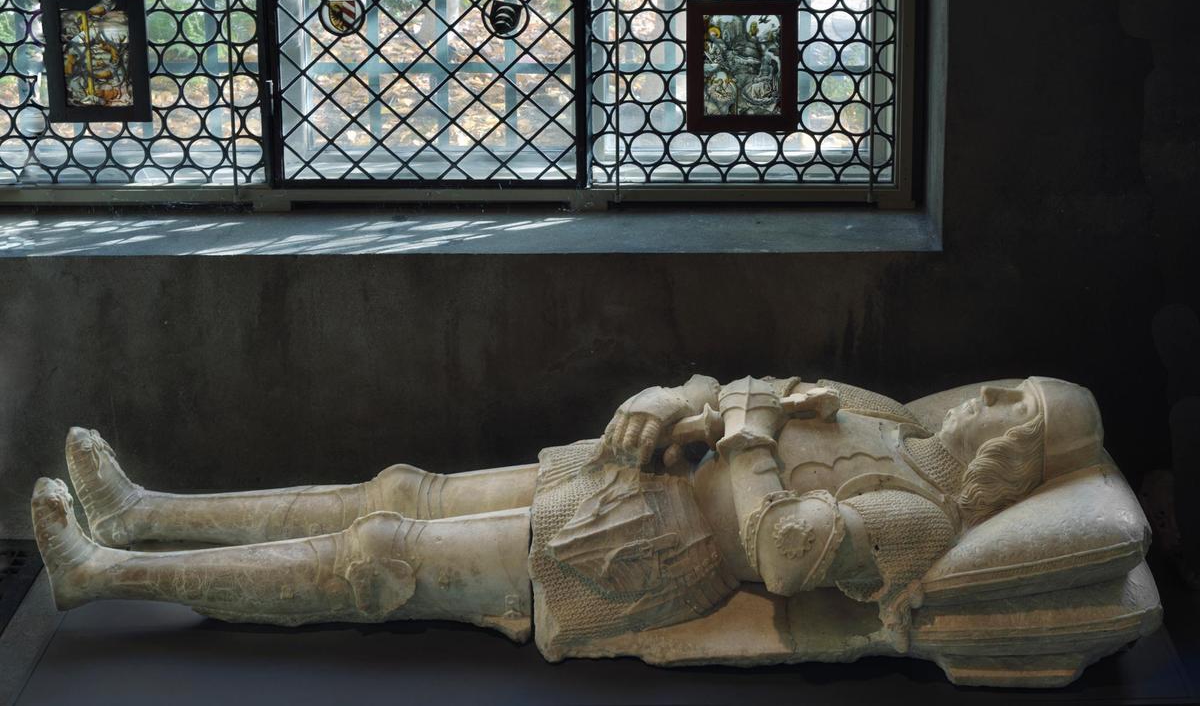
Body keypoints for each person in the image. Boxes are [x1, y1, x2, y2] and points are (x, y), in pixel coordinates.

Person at [30, 375, 1105, 656]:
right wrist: (673, 400)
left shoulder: (919, 515)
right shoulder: (884, 417)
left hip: (655, 552)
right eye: (1004, 392)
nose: (989, 407)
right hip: (622, 473)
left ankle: (102, 575)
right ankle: (141, 512)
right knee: (396, 490)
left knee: (383, 554)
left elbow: (783, 553)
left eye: (1017, 416)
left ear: (1021, 462)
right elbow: (733, 387)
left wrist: (740, 430)